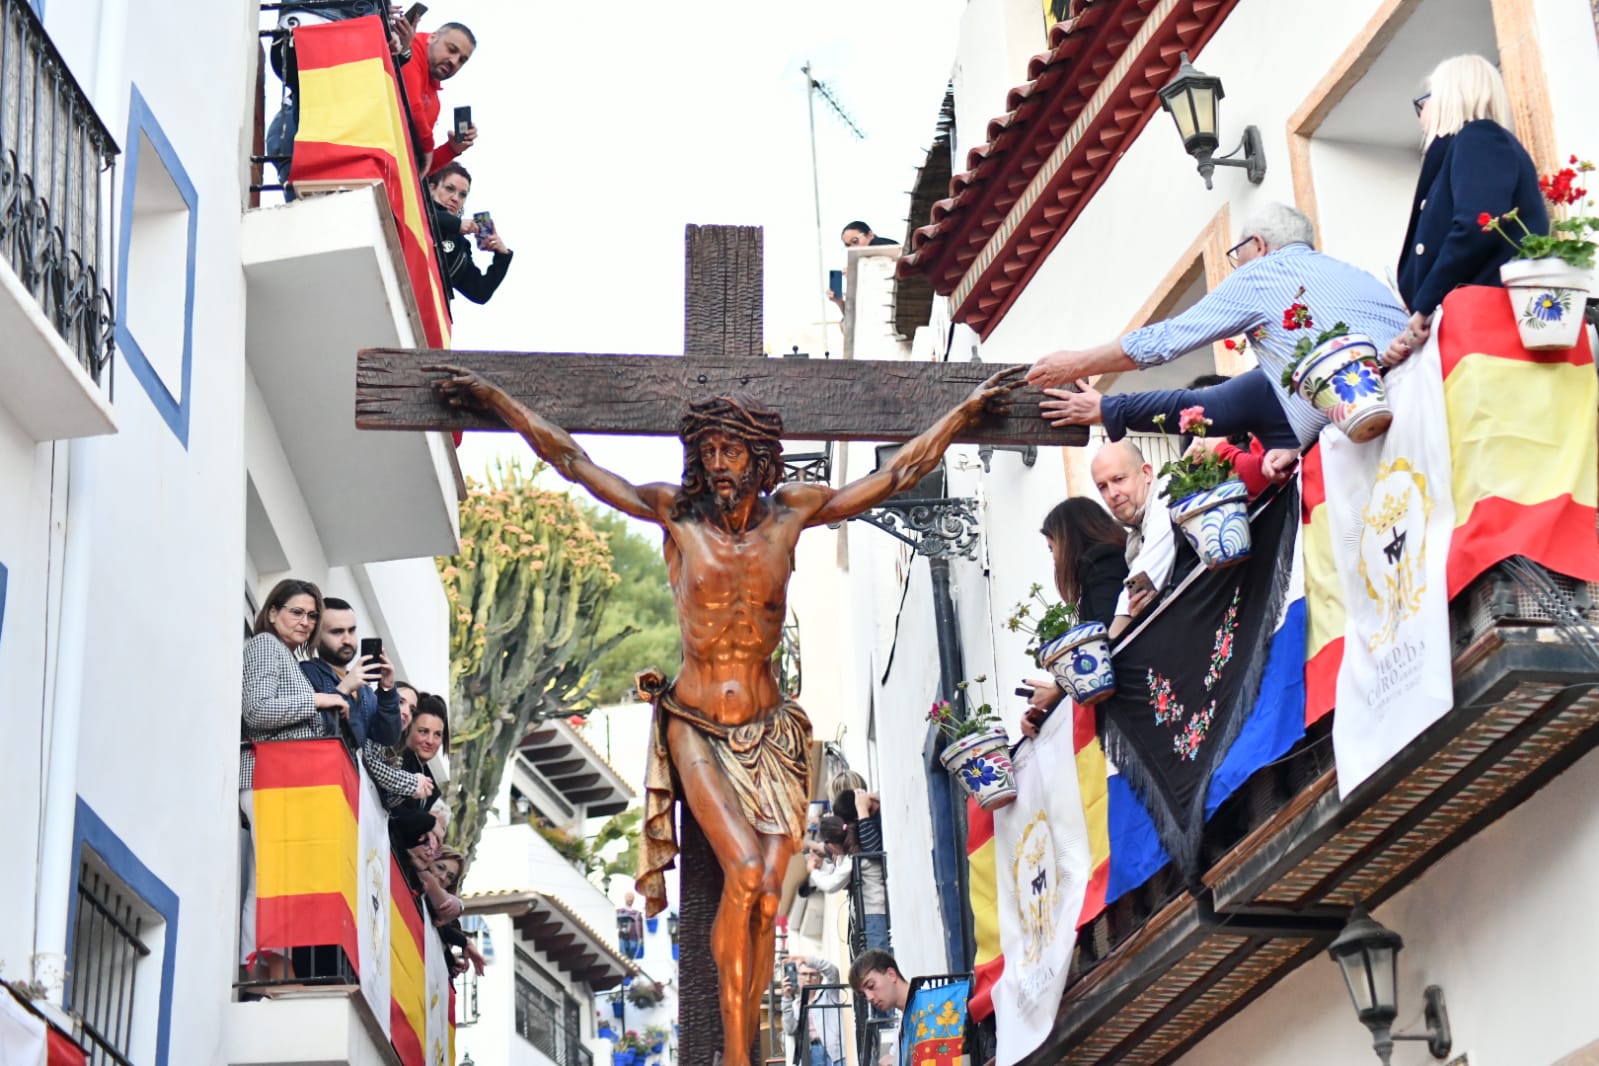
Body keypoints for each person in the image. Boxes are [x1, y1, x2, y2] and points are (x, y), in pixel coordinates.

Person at [427, 361, 1021, 1066]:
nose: (717, 465)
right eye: (707, 452)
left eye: (730, 451)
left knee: (770, 896)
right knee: (742, 870)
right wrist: (498, 399)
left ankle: (754, 1044)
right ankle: (734, 1058)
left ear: (759, 458)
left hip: (771, 732)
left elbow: (890, 479)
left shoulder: (792, 514)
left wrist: (961, 416)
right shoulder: (673, 514)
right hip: (697, 723)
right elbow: (574, 462)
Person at [1029, 202, 1408, 472]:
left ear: (1258, 246)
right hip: (1416, 400)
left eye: (1236, 253)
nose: (1237, 264)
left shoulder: (1260, 274)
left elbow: (1167, 340)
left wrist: (1078, 363)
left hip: (1367, 441)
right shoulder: (1357, 274)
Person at [1387, 54, 1548, 367]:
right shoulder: (1475, 146)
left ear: (1446, 96)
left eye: (1424, 103)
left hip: (1488, 328)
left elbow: (1476, 227)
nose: (1422, 118)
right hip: (1479, 323)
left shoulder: (1479, 137)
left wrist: (1424, 305)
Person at [240, 578, 351, 980]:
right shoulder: (266, 646)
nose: (306, 622)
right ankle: (263, 975)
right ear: (272, 612)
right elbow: (257, 711)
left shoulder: (286, 657)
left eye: (311, 615)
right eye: (296, 612)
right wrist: (319, 699)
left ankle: (275, 974)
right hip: (267, 776)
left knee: (279, 884)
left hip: (285, 781)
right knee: (272, 882)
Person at [1018, 496, 1129, 734]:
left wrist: (1059, 688)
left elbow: (1106, 636)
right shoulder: (1104, 561)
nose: (1055, 557)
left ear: (1068, 539)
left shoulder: (1102, 561)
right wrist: (1053, 697)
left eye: (1052, 548)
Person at [1089, 440, 1176, 640]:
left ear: (1146, 473)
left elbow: (1143, 577)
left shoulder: (1167, 494)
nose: (1112, 494)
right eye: (1102, 487)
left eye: (1119, 479)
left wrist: (1111, 647)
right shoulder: (1134, 537)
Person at [299, 597, 403, 747]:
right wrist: (343, 690)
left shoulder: (365, 690)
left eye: (352, 630)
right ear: (316, 636)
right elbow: (318, 733)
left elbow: (388, 738)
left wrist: (387, 690)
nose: (347, 639)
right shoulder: (306, 672)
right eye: (337, 632)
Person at [396, 21, 478, 177]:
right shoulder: (410, 49)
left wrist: (452, 149)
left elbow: (418, 169)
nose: (454, 61)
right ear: (432, 37)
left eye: (462, 60)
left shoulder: (434, 102)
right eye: (451, 49)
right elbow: (412, 105)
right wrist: (427, 147)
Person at [426, 162, 513, 304]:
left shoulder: (459, 245)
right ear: (432, 188)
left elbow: (480, 292)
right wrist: (457, 224)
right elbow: (424, 214)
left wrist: (501, 255)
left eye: (462, 195)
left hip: (423, 307)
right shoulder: (418, 207)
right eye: (449, 189)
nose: (455, 198)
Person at [806, 815, 890, 951]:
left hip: (873, 915)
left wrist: (813, 872)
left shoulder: (852, 859)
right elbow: (837, 874)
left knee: (878, 963)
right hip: (871, 914)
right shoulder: (851, 855)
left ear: (831, 844)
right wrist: (821, 865)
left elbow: (831, 884)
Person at [848, 950, 911, 1066]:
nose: (869, 997)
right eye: (863, 994)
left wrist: (898, 1060)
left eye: (871, 986)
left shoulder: (929, 1004)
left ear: (891, 975)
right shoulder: (904, 1023)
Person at [783, 956, 847, 1066]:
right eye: (804, 974)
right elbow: (790, 1029)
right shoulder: (795, 1004)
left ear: (820, 979)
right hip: (810, 1052)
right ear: (797, 977)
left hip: (835, 1050)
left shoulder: (828, 994)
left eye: (813, 974)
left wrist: (806, 959)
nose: (808, 979)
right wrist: (787, 998)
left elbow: (833, 972)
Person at [616, 890, 645, 960]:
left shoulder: (638, 913)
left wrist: (641, 937)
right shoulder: (619, 911)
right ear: (625, 898)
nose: (630, 899)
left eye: (632, 897)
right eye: (629, 897)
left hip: (634, 938)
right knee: (623, 958)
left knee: (632, 958)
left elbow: (641, 927)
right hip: (622, 938)